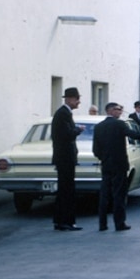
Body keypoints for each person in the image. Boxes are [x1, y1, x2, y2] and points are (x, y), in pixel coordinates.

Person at [92, 102, 140, 231]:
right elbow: (134, 135)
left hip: (106, 164)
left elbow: (95, 149)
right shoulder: (120, 124)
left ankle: (102, 224)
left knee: (104, 195)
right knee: (119, 194)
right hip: (119, 164)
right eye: (118, 109)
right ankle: (119, 223)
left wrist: (103, 158)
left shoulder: (98, 127)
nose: (120, 111)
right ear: (110, 110)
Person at [51, 87, 86, 231]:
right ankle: (66, 221)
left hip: (64, 158)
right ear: (70, 99)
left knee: (65, 190)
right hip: (65, 158)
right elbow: (67, 134)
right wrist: (78, 130)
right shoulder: (63, 114)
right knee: (67, 190)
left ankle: (61, 221)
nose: (79, 102)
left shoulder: (64, 113)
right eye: (77, 99)